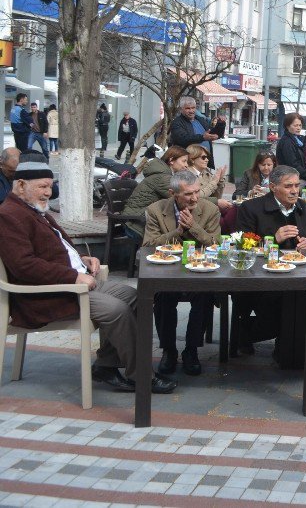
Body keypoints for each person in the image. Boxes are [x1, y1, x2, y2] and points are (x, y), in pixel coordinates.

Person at [0, 161, 176, 394]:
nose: (48, 193)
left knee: (134, 296)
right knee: (116, 310)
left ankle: (106, 365)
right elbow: (23, 266)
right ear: (21, 186)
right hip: (49, 294)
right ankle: (142, 376)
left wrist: (82, 258)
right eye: (42, 187)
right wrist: (72, 276)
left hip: (70, 283)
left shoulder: (33, 209)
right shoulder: (9, 215)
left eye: (50, 187)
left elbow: (54, 249)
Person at [234, 165, 306, 356]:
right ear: (273, 187)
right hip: (260, 275)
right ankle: (246, 333)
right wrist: (272, 239)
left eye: (297, 185)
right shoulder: (251, 207)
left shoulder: (305, 208)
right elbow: (240, 245)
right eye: (288, 186)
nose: (294, 191)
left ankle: (290, 349)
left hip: (299, 273)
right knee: (280, 299)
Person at [142, 170, 220, 376]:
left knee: (204, 296)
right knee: (163, 298)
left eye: (197, 192)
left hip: (200, 270)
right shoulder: (156, 210)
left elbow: (216, 244)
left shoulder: (209, 209)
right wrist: (177, 231)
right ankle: (168, 350)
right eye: (188, 194)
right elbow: (148, 245)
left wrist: (193, 227)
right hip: (168, 270)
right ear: (173, 193)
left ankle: (191, 350)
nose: (194, 198)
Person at [123, 146, 190, 238]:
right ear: (171, 160)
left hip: (141, 220)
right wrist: (216, 201)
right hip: (136, 225)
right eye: (184, 161)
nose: (187, 165)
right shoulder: (163, 178)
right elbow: (183, 198)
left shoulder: (164, 174)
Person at [169, 96, 221, 165]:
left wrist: (221, 125)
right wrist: (202, 137)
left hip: (205, 160)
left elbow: (211, 132)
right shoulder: (177, 122)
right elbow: (182, 138)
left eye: (193, 108)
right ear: (181, 109)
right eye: (188, 108)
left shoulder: (200, 119)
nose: (191, 111)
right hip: (188, 162)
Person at [275, 113, 306, 180]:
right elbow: (292, 164)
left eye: (300, 125)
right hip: (289, 177)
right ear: (288, 126)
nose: (298, 128)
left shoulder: (297, 139)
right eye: (295, 125)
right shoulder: (287, 142)